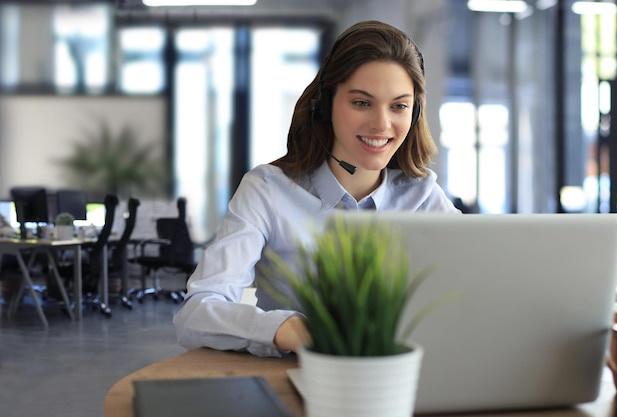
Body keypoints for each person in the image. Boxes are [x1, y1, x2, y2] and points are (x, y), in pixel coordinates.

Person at [173, 20, 460, 358]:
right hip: (299, 378)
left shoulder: (423, 194)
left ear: (414, 114)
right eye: (362, 103)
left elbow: (480, 286)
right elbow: (196, 314)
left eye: (398, 106)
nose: (382, 124)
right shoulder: (267, 190)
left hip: (401, 378)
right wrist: (287, 329)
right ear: (325, 106)